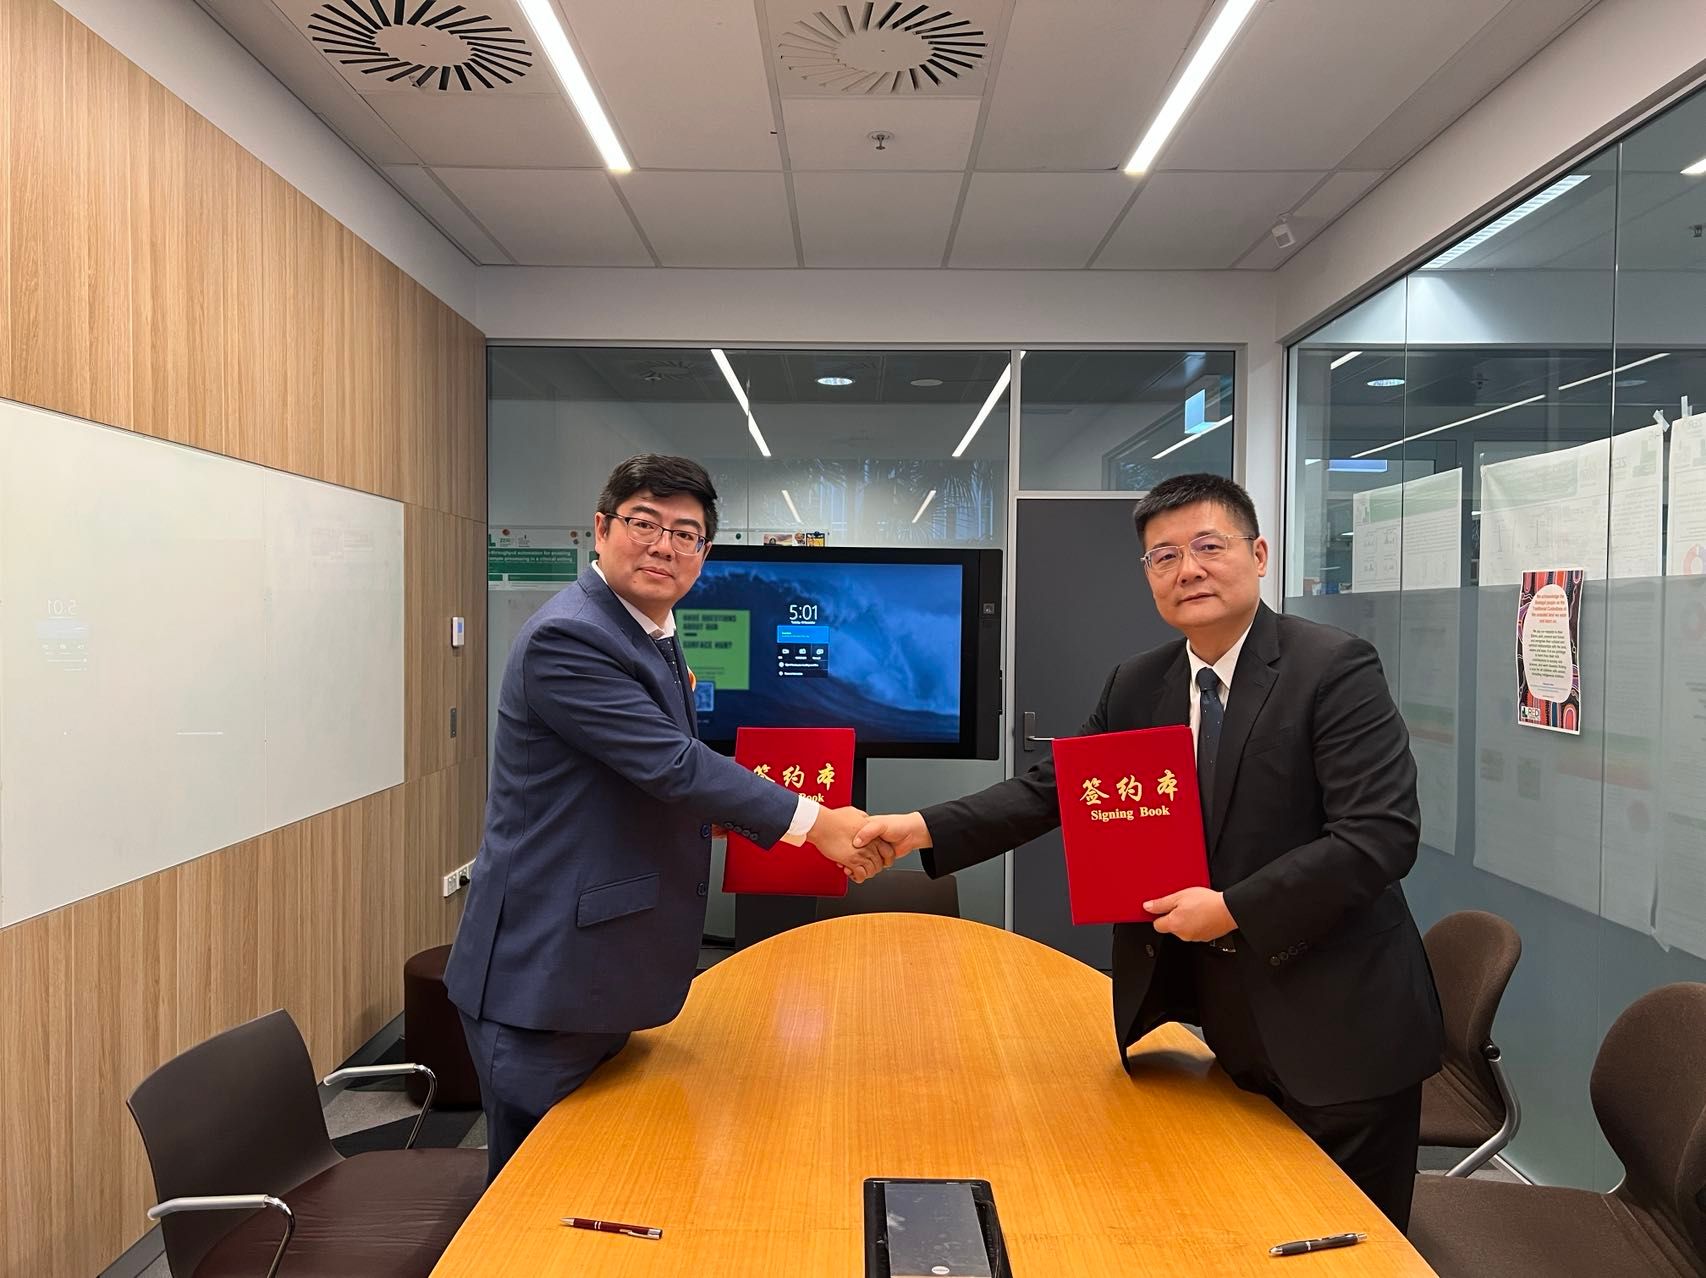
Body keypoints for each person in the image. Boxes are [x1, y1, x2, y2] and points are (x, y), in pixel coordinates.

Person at [854, 473, 1443, 1230]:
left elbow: (1378, 837)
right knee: (1247, 1225)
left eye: (1208, 547)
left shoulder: (1332, 668)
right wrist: (921, 827)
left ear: (1259, 555)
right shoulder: (1139, 684)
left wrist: (1232, 909)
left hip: (1343, 1025)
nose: (1187, 570)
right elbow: (1052, 790)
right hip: (1229, 1021)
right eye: (1164, 557)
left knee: (1348, 1245)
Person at [446, 454, 879, 1181]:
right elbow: (675, 766)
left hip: (599, 967)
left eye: (686, 534)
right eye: (643, 524)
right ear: (601, 529)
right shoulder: (570, 636)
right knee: (538, 1197)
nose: (663, 547)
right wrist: (820, 825)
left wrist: (722, 816)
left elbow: (648, 773)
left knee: (600, 1177)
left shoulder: (646, 631)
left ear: (704, 552)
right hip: (544, 977)